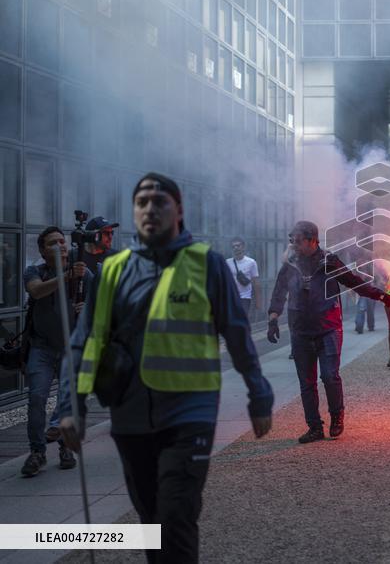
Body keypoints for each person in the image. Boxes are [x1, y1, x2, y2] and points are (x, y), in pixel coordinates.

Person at [59, 173, 273, 563]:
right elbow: (87, 340)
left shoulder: (205, 264)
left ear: (179, 210)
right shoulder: (114, 271)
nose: (150, 210)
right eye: (142, 202)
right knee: (151, 519)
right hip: (129, 415)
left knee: (176, 515)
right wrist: (72, 405)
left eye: (160, 202)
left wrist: (259, 393)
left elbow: (237, 333)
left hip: (189, 412)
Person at [268, 220, 390, 443]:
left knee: (329, 376)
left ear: (312, 240)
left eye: (298, 241)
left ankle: (337, 417)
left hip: (328, 328)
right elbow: (279, 291)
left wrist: (382, 296)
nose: (294, 246)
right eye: (291, 241)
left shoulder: (329, 261)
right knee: (306, 382)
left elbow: (355, 282)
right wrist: (273, 317)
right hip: (300, 330)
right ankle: (314, 427)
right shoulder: (290, 265)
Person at [20, 227, 92, 478]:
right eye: (53, 243)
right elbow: (37, 291)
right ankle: (37, 451)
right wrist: (67, 276)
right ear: (42, 250)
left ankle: (65, 448)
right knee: (36, 399)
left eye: (62, 241)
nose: (61, 246)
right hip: (41, 347)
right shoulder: (34, 271)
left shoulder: (84, 275)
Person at [227, 237, 262, 320]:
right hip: (231, 297)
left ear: (243, 247)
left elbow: (256, 282)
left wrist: (258, 301)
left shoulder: (251, 262)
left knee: (242, 319)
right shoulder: (227, 262)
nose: (236, 248)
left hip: (245, 297)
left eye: (238, 246)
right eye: (233, 247)